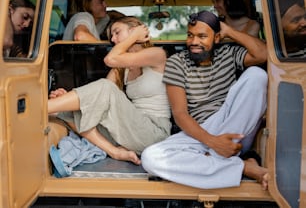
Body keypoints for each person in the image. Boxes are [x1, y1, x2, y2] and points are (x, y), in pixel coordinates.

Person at [141, 10, 269, 190]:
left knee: (257, 75)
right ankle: (242, 166)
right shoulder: (176, 62)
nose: (194, 42)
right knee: (150, 158)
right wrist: (213, 142)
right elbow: (180, 114)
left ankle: (216, 160)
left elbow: (262, 54)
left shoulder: (228, 54)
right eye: (190, 35)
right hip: (199, 133)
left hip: (234, 126)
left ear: (216, 38)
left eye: (202, 36)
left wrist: (230, 32)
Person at [48, 16, 172, 165]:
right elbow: (98, 99)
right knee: (67, 112)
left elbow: (109, 61)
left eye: (116, 32)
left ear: (133, 31)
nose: (113, 39)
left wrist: (133, 37)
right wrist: (70, 99)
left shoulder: (157, 54)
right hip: (131, 130)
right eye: (111, 36)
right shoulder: (121, 67)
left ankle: (42, 107)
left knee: (106, 89)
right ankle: (115, 151)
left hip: (154, 132)